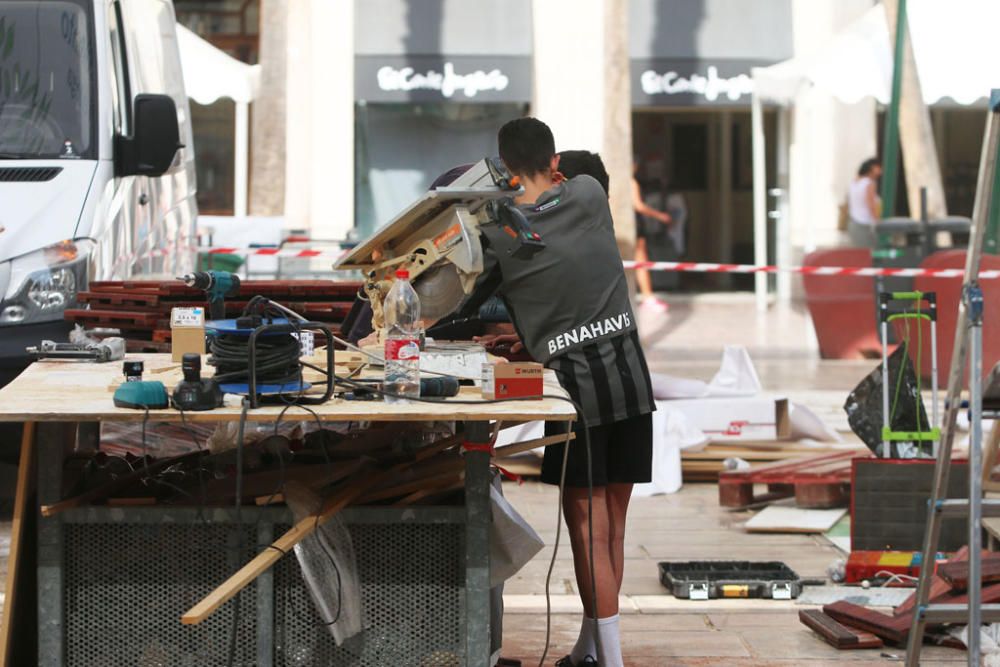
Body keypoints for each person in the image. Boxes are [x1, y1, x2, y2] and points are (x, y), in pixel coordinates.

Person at [460, 122, 655, 667]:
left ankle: (609, 662)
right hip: (630, 380)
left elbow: (471, 290)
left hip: (581, 392)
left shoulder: (498, 233)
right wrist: (533, 332)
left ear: (502, 165)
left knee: (587, 524)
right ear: (555, 163)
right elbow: (569, 274)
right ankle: (588, 651)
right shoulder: (591, 197)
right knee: (612, 526)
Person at [632, 162, 673, 311]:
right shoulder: (631, 182)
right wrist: (660, 216)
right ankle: (647, 296)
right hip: (634, 224)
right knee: (640, 259)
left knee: (637, 260)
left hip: (629, 223)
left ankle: (646, 295)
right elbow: (638, 206)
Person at [847, 157, 883, 247]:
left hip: (853, 223)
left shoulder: (854, 182)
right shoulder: (869, 183)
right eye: (878, 167)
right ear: (872, 168)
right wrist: (878, 222)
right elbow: (871, 204)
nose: (880, 171)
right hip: (865, 225)